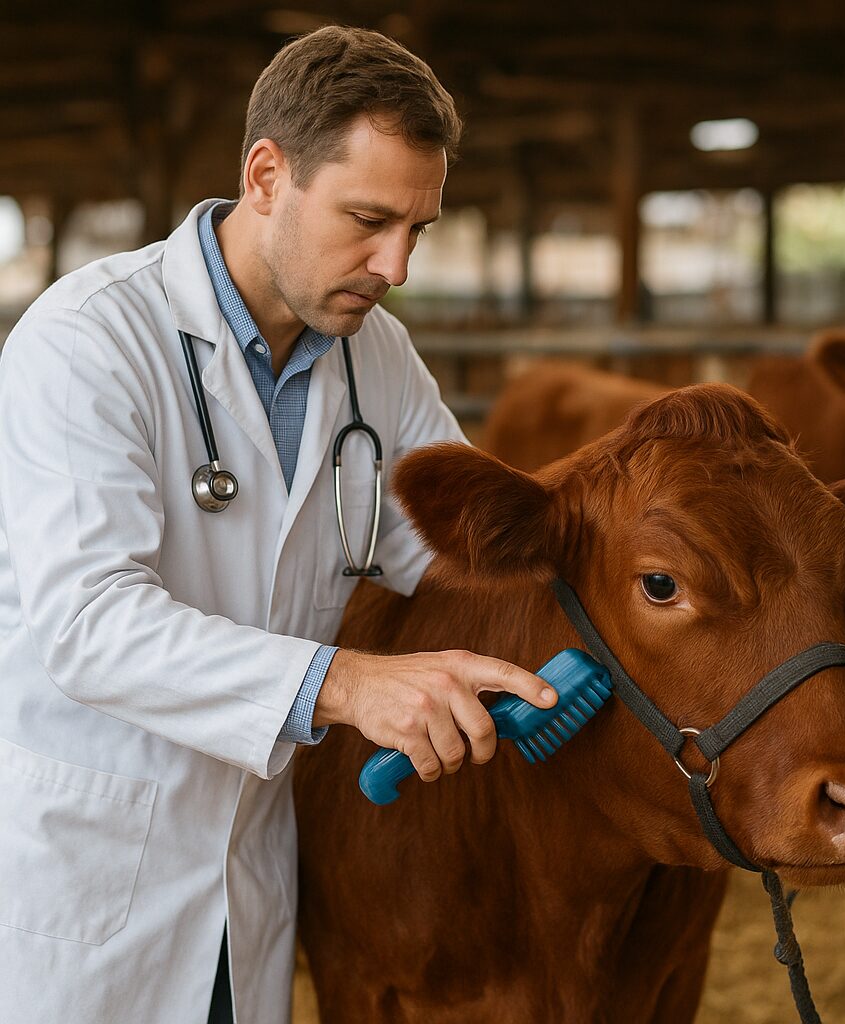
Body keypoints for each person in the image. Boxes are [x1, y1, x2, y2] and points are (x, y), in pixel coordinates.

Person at [0, 26, 556, 1024]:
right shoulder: (89, 340)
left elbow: (452, 556)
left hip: (248, 880)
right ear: (267, 175)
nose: (395, 264)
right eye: (368, 219)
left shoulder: (376, 358)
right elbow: (89, 625)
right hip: (88, 877)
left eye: (417, 229)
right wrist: (347, 682)